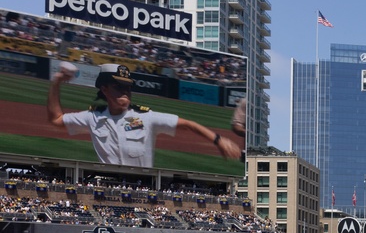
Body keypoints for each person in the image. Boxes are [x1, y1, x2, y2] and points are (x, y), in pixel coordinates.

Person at [47, 63, 242, 169]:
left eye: (128, 86)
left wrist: (218, 140)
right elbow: (56, 119)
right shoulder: (93, 117)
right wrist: (56, 82)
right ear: (104, 89)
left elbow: (188, 124)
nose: (125, 91)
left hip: (144, 188)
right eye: (118, 86)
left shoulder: (146, 117)